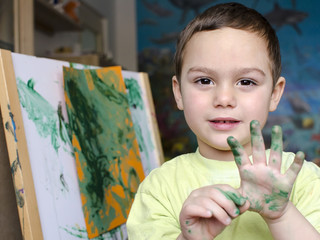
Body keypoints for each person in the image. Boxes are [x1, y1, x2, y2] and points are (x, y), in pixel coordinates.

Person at [127, 2, 320, 240]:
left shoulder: (303, 180)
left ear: (274, 94)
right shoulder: (158, 189)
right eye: (204, 81)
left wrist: (281, 215)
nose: (224, 99)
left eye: (246, 82)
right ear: (178, 93)